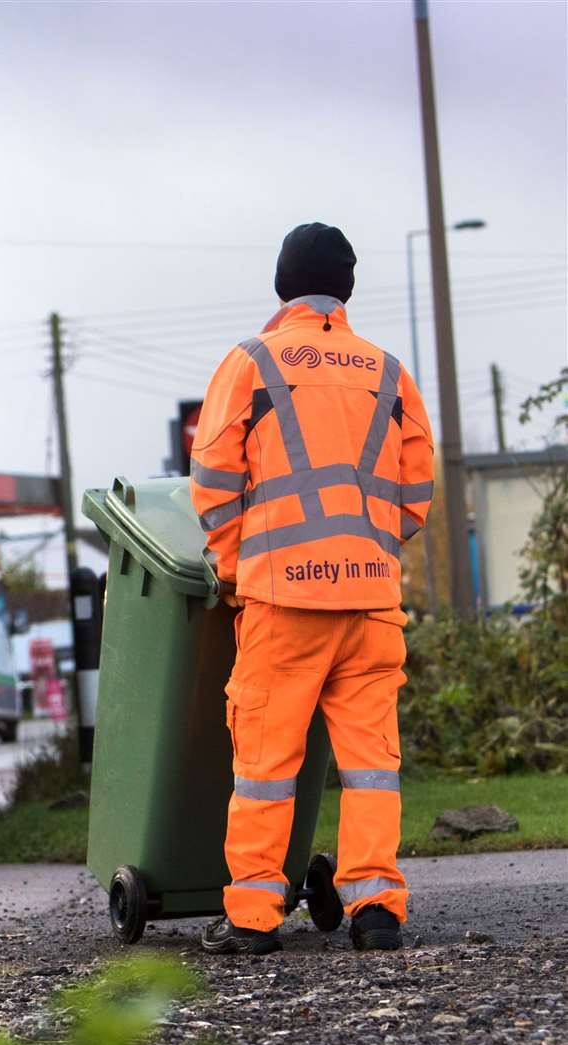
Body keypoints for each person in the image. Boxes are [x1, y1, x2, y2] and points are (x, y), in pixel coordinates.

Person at [190, 223, 435, 955]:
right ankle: (376, 911)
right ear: (348, 289)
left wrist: (239, 563)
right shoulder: (389, 371)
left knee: (267, 765)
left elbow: (212, 477)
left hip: (282, 603)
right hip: (369, 603)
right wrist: (366, 548)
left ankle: (255, 919)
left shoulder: (252, 362)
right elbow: (417, 490)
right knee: (370, 766)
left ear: (281, 285)